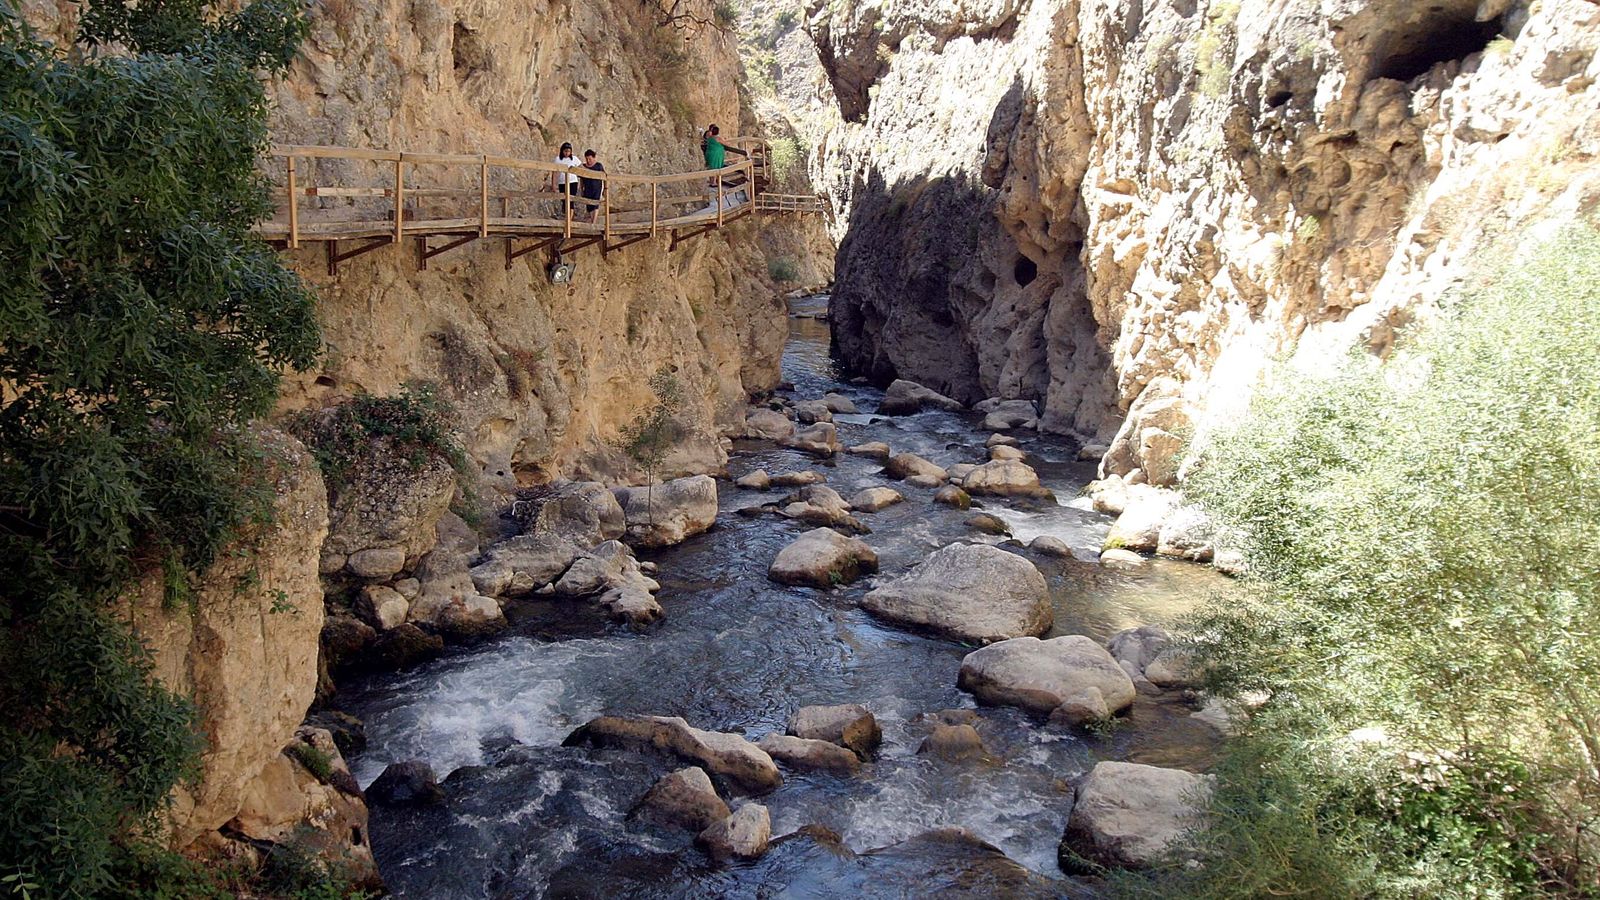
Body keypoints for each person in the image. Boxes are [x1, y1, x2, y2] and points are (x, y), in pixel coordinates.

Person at [701, 124, 748, 208]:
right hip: (716, 154)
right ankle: (714, 182)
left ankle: (712, 182)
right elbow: (727, 144)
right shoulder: (718, 138)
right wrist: (726, 142)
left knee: (712, 167)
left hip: (709, 153)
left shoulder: (710, 138)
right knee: (716, 167)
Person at [549, 142, 580, 214]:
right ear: (562, 151)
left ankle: (569, 220)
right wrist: (553, 184)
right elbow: (555, 172)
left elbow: (581, 168)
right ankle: (567, 217)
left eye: (568, 151)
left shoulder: (574, 159)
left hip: (572, 182)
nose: (567, 153)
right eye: (565, 151)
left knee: (571, 199)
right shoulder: (558, 159)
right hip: (562, 182)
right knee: (564, 200)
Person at [578, 149, 605, 223]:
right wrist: (581, 188)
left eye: (590, 159)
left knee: (596, 204)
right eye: (587, 159)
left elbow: (605, 177)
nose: (588, 160)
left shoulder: (598, 166)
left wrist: (605, 189)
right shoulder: (583, 166)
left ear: (594, 158)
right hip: (587, 188)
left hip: (597, 188)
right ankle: (592, 219)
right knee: (589, 205)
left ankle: (594, 221)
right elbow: (581, 179)